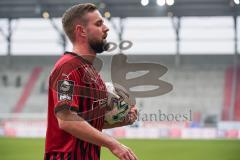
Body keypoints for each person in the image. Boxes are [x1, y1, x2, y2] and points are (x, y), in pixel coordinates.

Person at [44, 3, 138, 160]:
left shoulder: (93, 74)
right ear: (81, 31)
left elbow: (89, 123)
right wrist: (113, 144)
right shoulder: (67, 68)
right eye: (99, 24)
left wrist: (121, 119)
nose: (106, 28)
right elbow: (66, 120)